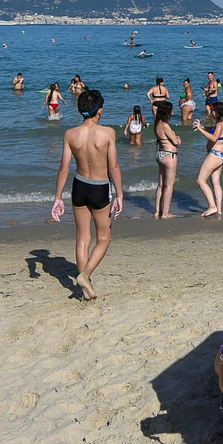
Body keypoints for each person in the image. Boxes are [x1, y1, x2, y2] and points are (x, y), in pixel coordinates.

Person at [51, 89, 124, 301]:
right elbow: (114, 166)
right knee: (104, 238)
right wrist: (119, 194)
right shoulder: (107, 133)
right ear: (99, 110)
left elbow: (63, 168)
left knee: (82, 238)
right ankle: (84, 276)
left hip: (79, 185)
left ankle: (86, 289)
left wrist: (58, 198)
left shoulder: (70, 134)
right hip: (100, 187)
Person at [193, 101, 223, 218]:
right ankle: (219, 210)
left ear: (218, 112)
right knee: (216, 182)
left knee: (200, 180)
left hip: (215, 155)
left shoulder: (220, 125)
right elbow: (214, 131)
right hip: (222, 155)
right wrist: (203, 127)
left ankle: (212, 206)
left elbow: (214, 138)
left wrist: (200, 129)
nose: (212, 112)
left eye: (213, 110)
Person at [152, 102, 180, 219]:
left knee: (160, 184)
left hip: (160, 154)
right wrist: (178, 138)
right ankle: (165, 213)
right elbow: (176, 141)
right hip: (170, 155)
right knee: (169, 185)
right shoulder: (165, 125)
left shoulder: (157, 123)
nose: (172, 113)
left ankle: (157, 211)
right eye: (171, 111)